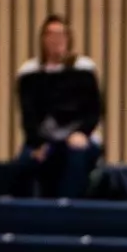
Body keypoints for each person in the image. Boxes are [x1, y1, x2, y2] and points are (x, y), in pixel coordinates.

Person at [16, 15, 104, 200]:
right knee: (23, 163)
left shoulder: (84, 69)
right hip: (44, 138)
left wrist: (81, 132)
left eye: (61, 34)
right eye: (51, 34)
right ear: (43, 39)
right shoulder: (29, 72)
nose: (56, 39)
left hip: (79, 136)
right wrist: (38, 143)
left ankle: (67, 209)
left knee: (75, 156)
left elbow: (94, 110)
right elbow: (28, 115)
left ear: (69, 38)